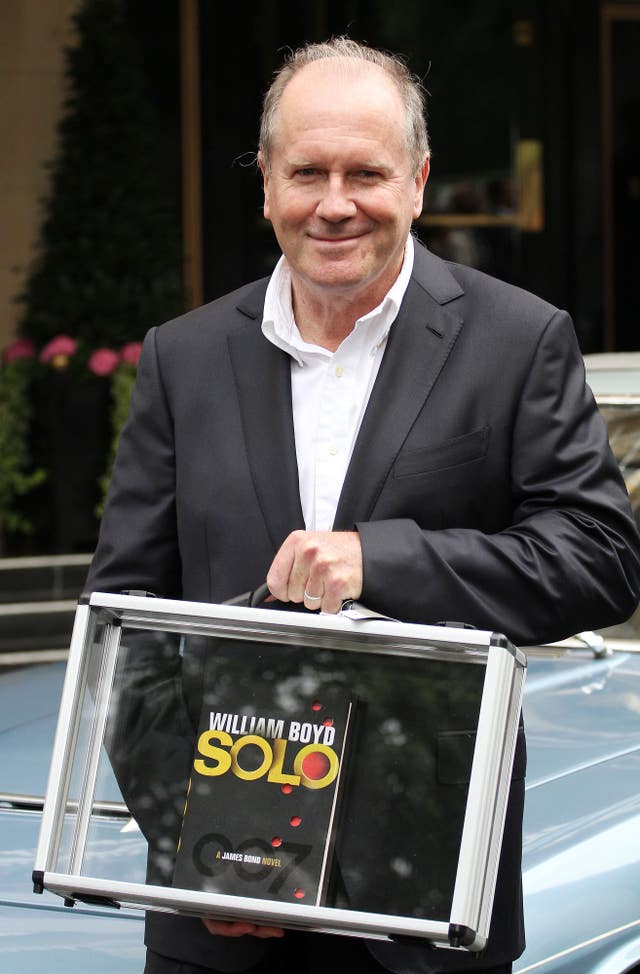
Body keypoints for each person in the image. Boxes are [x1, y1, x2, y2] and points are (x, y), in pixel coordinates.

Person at [85, 37, 640, 974]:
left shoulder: (519, 340)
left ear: (418, 181)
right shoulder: (181, 359)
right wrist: (207, 853)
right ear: (265, 184)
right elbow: (125, 630)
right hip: (223, 919)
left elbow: (599, 555)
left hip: (425, 905)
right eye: (307, 171)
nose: (334, 203)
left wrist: (381, 560)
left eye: (366, 173)